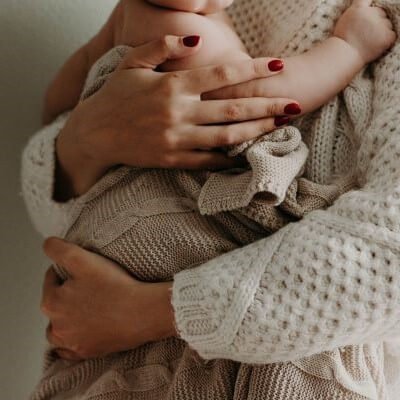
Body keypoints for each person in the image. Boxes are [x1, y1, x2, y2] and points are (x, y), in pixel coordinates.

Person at [22, 0, 400, 399]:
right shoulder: (179, 26)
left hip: (248, 323)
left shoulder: (132, 18)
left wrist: (142, 312)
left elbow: (57, 100)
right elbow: (265, 95)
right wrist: (349, 48)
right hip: (152, 250)